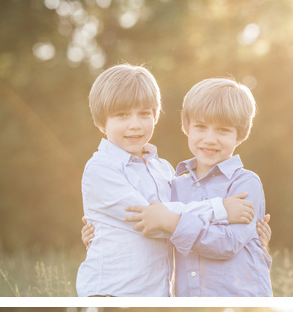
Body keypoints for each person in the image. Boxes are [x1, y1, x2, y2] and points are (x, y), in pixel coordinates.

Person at [76, 64, 259, 297]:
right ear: (102, 122)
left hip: (156, 294)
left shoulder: (163, 170)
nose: (135, 124)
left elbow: (175, 219)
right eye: (122, 115)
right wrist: (220, 209)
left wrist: (252, 237)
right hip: (113, 292)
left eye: (144, 114)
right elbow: (154, 221)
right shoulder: (101, 169)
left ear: (155, 115)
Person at [122, 77, 272, 296]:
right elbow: (148, 224)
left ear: (239, 134)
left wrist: (172, 222)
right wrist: (101, 235)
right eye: (201, 127)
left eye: (222, 130)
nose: (210, 139)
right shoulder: (172, 186)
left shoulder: (245, 183)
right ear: (187, 127)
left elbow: (227, 243)